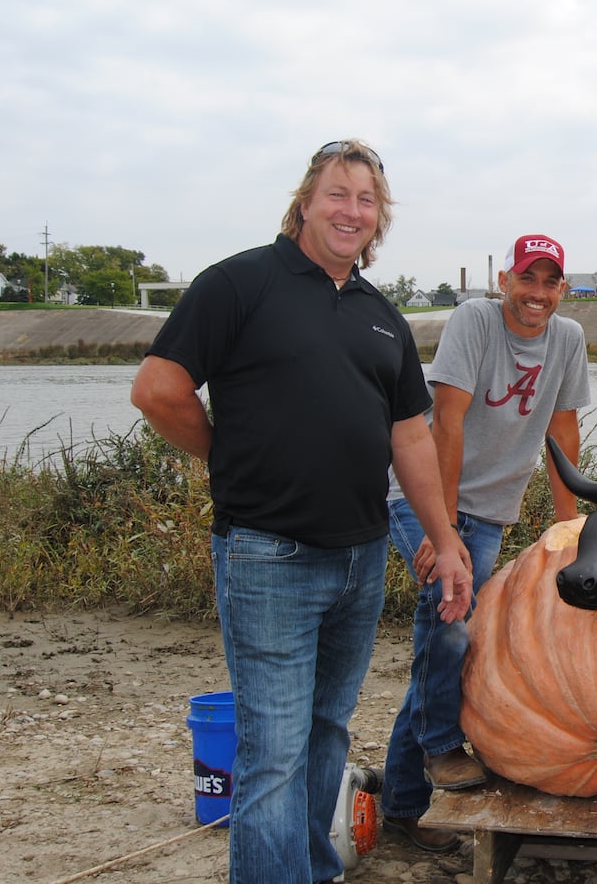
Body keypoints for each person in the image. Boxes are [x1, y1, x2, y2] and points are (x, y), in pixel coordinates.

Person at [131, 139, 473, 884]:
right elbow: (158, 389)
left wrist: (445, 541)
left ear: (379, 219)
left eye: (367, 201)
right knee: (274, 752)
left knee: (325, 737)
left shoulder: (381, 315)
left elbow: (411, 434)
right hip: (268, 557)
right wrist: (226, 454)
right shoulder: (240, 283)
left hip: (360, 559)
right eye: (337, 194)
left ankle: (316, 871)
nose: (351, 211)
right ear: (305, 202)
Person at [380, 234, 591, 849]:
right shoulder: (475, 320)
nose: (538, 294)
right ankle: (443, 746)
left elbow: (563, 428)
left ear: (561, 289)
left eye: (550, 283)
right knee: (448, 620)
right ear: (505, 280)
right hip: (417, 495)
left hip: (491, 513)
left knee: (443, 637)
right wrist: (441, 529)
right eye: (528, 279)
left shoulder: (568, 340)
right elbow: (445, 418)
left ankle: (401, 808)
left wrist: (567, 526)